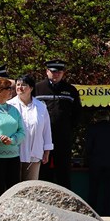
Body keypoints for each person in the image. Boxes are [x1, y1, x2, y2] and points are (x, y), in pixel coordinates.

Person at [35, 59, 82, 189]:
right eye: (53, 72)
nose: (56, 75)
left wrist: (67, 129)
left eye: (59, 72)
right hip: (42, 138)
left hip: (62, 137)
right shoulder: (38, 88)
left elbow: (77, 113)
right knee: (43, 171)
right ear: (47, 71)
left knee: (63, 171)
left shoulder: (70, 90)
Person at [8, 75, 53, 181]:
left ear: (31, 88)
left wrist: (47, 150)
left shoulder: (41, 106)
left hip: (34, 152)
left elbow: (46, 129)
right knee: (14, 185)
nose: (20, 87)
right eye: (18, 85)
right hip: (15, 152)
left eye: (24, 85)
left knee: (31, 185)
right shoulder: (9, 105)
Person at [85, 109, 110, 216]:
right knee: (108, 190)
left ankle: (91, 212)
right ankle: (106, 213)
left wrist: (88, 159)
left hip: (95, 162)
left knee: (93, 189)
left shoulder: (92, 128)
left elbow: (88, 147)